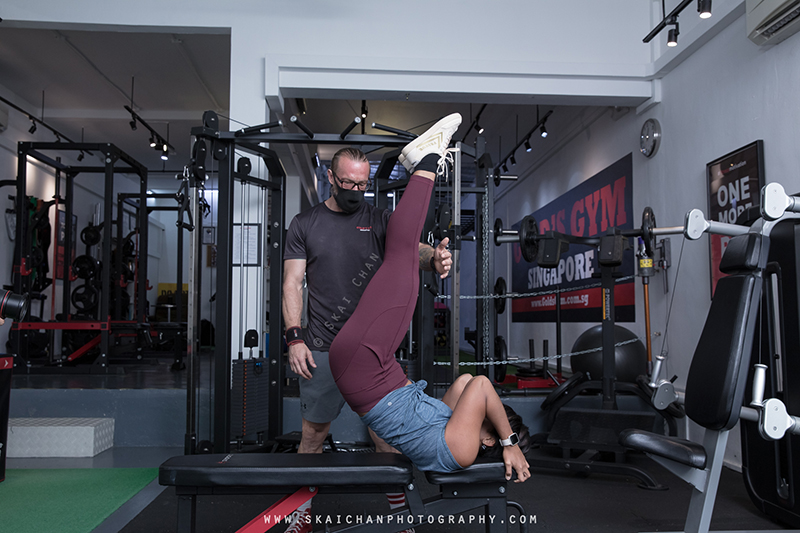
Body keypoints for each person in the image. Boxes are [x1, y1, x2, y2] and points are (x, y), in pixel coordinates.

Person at [330, 113, 531, 482]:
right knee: (403, 255)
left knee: (401, 252)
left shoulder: (463, 450)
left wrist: (510, 440)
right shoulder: (448, 431)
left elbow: (483, 386)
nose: (477, 413)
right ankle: (418, 162)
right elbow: (466, 384)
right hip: (370, 372)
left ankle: (426, 160)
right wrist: (494, 425)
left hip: (367, 370)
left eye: (483, 419)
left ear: (487, 439)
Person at [282, 146, 452, 532]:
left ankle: (399, 515)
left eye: (362, 183)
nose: (355, 190)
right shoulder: (305, 223)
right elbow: (292, 283)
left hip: (372, 352)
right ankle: (300, 517)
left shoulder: (377, 219)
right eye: (347, 182)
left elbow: (410, 248)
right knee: (313, 436)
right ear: (330, 177)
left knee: (387, 438)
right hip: (323, 348)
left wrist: (435, 258)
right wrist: (295, 338)